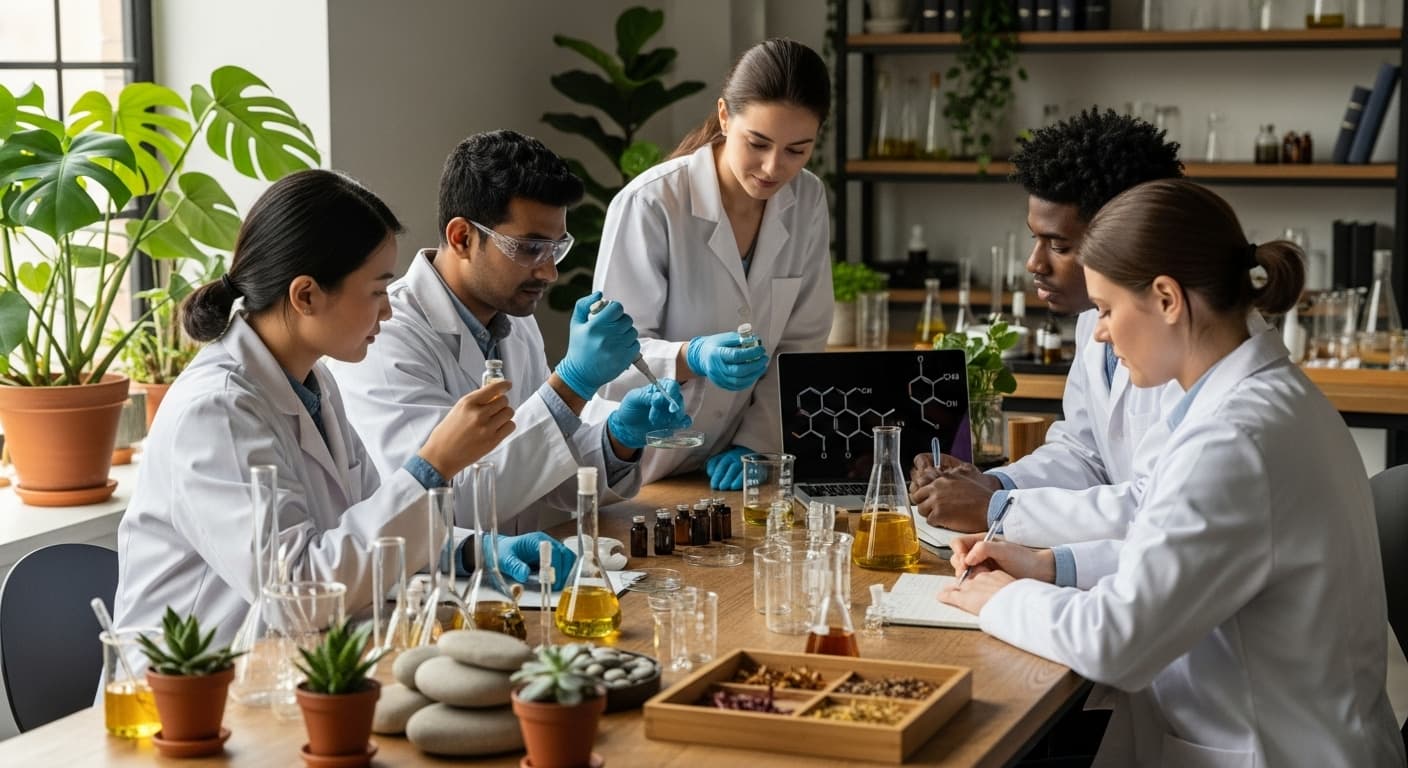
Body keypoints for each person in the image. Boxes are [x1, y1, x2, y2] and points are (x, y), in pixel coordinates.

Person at [942, 179, 1404, 766]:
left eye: (1107, 309)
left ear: (1166, 299)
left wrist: (998, 598)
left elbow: (1116, 643)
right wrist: (1048, 565)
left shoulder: (1233, 440)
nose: (1101, 332)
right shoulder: (1262, 401)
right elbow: (1194, 555)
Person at [114, 170, 523, 647]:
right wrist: (434, 464)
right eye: (376, 292)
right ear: (305, 295)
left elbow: (370, 525)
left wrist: (474, 551)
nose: (387, 312)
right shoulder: (215, 411)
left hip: (294, 663)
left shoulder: (313, 381)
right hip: (194, 690)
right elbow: (296, 593)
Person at [331, 131, 690, 569]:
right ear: (462, 237)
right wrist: (570, 386)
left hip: (525, 575)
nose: (550, 271)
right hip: (442, 587)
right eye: (529, 248)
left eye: (556, 247)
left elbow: (541, 475)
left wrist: (618, 439)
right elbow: (445, 502)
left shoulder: (514, 322)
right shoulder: (386, 338)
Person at [910, 108, 1188, 540]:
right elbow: (1084, 453)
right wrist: (992, 484)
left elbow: (1156, 506)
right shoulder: (1092, 323)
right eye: (1035, 238)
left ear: (1128, 237)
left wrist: (995, 508)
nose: (1034, 263)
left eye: (1058, 245)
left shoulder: (1191, 351)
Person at [583, 38, 834, 489]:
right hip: (640, 468)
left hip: (732, 464)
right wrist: (690, 356)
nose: (773, 168)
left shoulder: (808, 199)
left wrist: (758, 443)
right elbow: (610, 356)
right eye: (757, 143)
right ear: (724, 116)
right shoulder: (651, 204)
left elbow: (800, 344)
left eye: (797, 150)